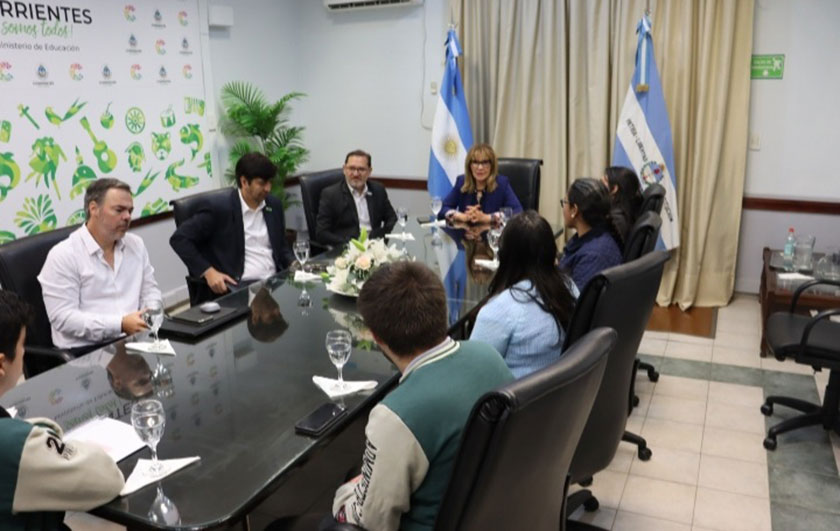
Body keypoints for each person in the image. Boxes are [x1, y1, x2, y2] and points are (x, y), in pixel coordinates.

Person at [331, 262, 513, 531]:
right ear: (443, 311)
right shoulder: (489, 356)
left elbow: (371, 522)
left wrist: (344, 495)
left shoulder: (395, 417)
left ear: (377, 338)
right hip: (498, 511)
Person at [0, 290, 125, 529]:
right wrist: (41, 434)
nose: (24, 353)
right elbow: (108, 479)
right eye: (22, 345)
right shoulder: (13, 445)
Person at [38, 178, 161, 352]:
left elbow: (150, 290)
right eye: (119, 210)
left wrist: (151, 313)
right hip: (87, 351)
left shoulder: (136, 244)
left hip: (134, 339)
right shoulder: (63, 255)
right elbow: (63, 318)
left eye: (130, 210)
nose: (127, 217)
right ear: (94, 209)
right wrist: (119, 325)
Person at [170, 152, 295, 297]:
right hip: (241, 288)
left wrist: (294, 264)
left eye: (269, 182)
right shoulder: (219, 208)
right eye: (261, 183)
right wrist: (209, 272)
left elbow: (281, 247)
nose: (268, 188)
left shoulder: (273, 205)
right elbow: (179, 239)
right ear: (244, 182)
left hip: (275, 283)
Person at [470, 211, 578, 378]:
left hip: (513, 401)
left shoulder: (498, 311)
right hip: (559, 395)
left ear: (505, 255)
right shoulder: (569, 287)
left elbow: (473, 374)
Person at [315, 149, 397, 246]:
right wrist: (351, 244)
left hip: (375, 247)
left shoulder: (377, 189)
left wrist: (381, 238)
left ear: (369, 171)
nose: (356, 174)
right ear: (344, 169)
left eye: (361, 169)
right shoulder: (330, 194)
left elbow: (392, 219)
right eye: (351, 168)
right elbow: (321, 233)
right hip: (346, 249)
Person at [558, 178, 623, 291]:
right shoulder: (597, 235)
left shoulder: (593, 256)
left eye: (564, 202)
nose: (563, 207)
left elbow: (574, 303)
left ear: (574, 210)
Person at [438, 143, 523, 224]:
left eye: (485, 162)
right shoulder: (462, 182)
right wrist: (460, 216)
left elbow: (518, 212)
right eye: (475, 162)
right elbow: (442, 209)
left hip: (493, 236)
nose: (480, 167)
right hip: (467, 237)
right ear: (469, 165)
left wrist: (488, 218)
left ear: (492, 165)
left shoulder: (502, 183)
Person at [602, 166, 642, 241]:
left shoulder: (614, 219)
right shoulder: (628, 211)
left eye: (604, 181)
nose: (599, 183)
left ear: (614, 189)